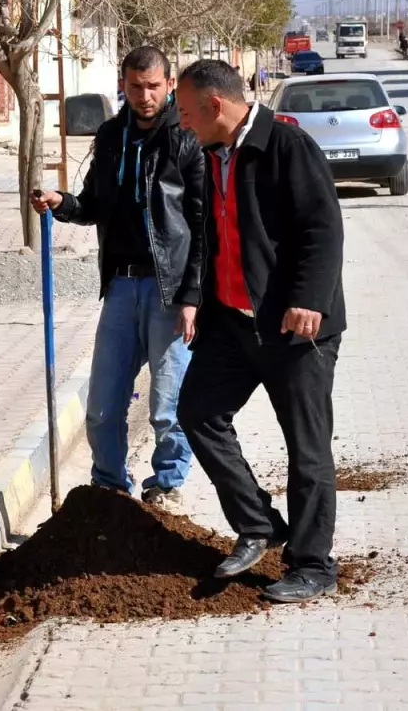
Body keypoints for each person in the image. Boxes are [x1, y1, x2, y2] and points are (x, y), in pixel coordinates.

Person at [173, 59, 346, 603]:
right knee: (198, 411)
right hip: (232, 324)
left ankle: (313, 564)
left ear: (215, 105)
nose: (182, 123)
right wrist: (195, 298)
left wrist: (307, 300)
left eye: (185, 112)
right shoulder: (209, 155)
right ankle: (259, 523)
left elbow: (323, 226)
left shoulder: (287, 148)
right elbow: (209, 236)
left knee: (307, 448)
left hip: (295, 330)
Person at [32, 45, 205, 510]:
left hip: (169, 291)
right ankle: (109, 488)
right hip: (121, 287)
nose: (145, 96)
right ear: (123, 87)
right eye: (135, 86)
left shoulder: (186, 139)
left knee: (167, 407)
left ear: (169, 85)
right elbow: (93, 205)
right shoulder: (110, 136)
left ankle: (166, 486)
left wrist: (191, 294)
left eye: (153, 86)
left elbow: (202, 224)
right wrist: (60, 202)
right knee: (103, 406)